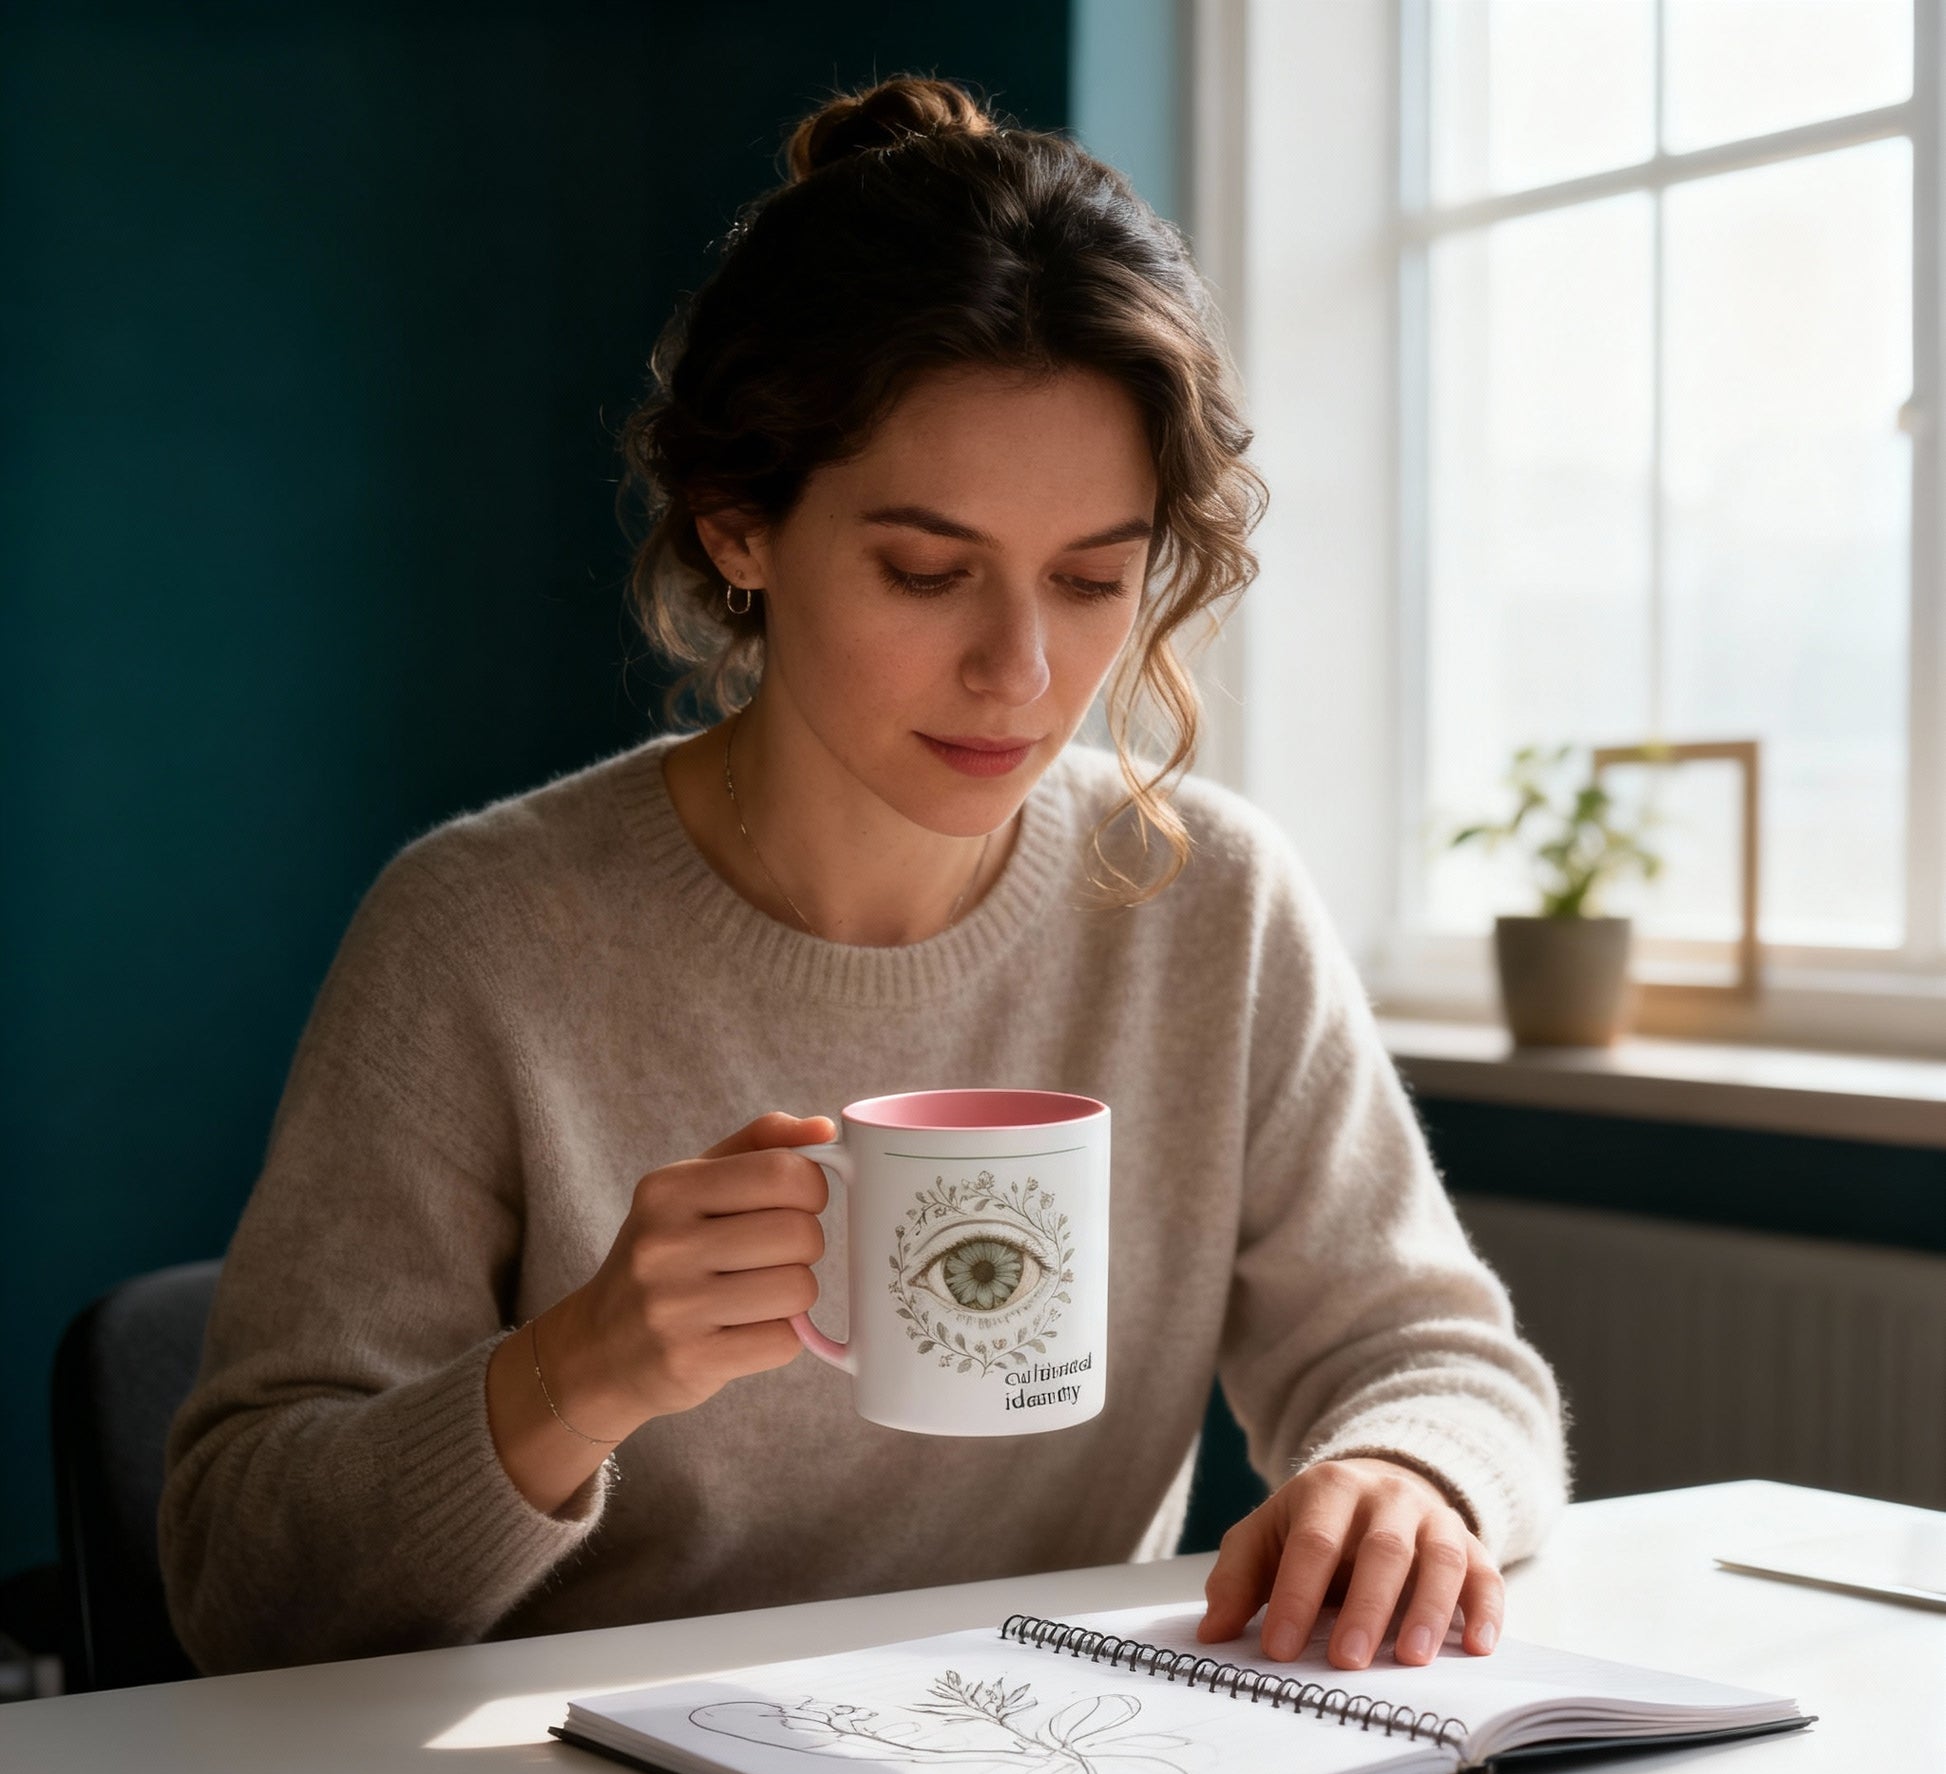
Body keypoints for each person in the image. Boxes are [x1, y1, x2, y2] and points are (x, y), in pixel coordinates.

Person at [160, 76, 1568, 1679]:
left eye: (1093, 577)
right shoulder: (480, 935)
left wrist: (1404, 1474)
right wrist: (578, 1369)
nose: (1021, 671)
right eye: (925, 570)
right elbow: (239, 1586)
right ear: (738, 526)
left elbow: (1432, 1352)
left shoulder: (1207, 898)